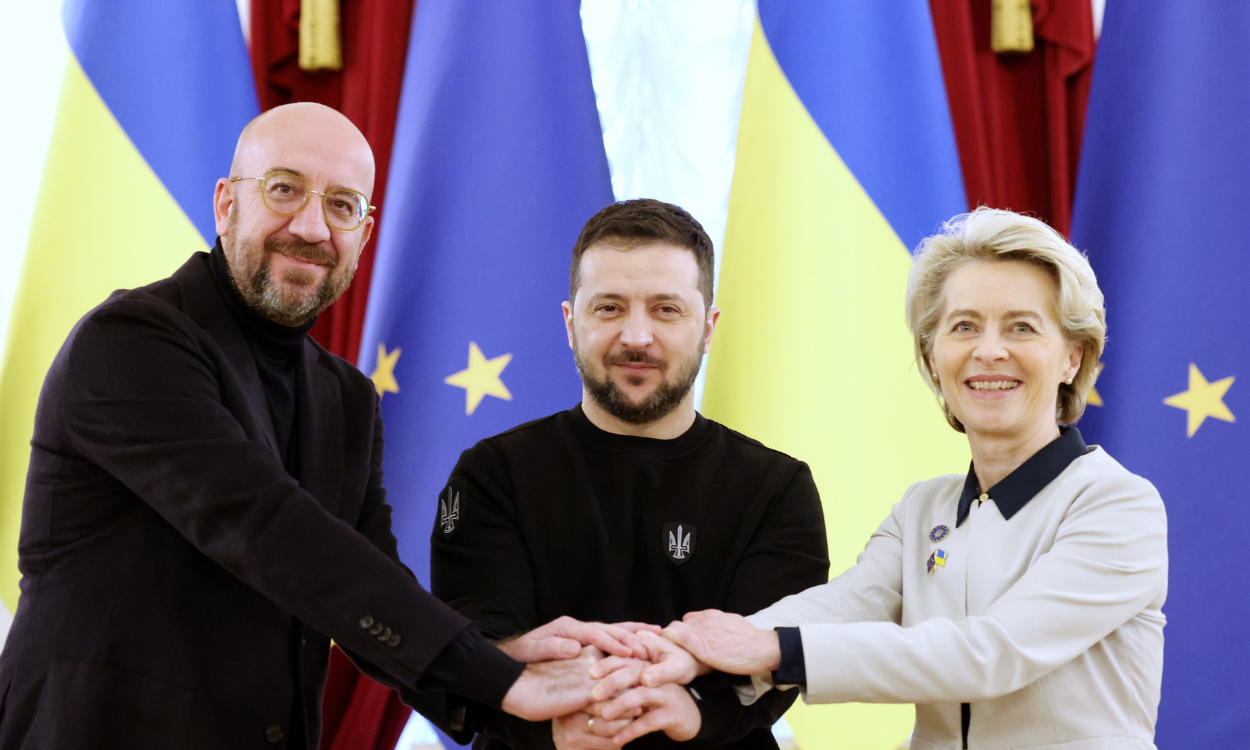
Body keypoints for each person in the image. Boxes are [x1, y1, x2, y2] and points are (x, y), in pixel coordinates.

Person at [0, 102, 648, 750]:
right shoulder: (131, 342)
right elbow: (268, 529)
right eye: (284, 189)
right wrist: (496, 677)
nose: (311, 227)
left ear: (364, 238)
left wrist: (497, 660)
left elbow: (368, 579)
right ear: (226, 205)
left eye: (343, 206)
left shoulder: (346, 398)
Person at [609, 208, 1168, 749]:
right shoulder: (923, 509)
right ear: (932, 354)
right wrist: (687, 652)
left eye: (1021, 327)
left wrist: (769, 648)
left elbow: (992, 654)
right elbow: (839, 607)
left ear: (1073, 356)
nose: (989, 350)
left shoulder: (1117, 505)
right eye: (964, 326)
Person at [430, 199, 831, 750]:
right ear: (572, 323)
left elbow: (774, 656)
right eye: (610, 308)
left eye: (666, 309)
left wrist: (690, 710)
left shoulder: (777, 487)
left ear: (708, 327)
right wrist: (554, 723)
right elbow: (472, 652)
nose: (637, 336)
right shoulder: (491, 474)